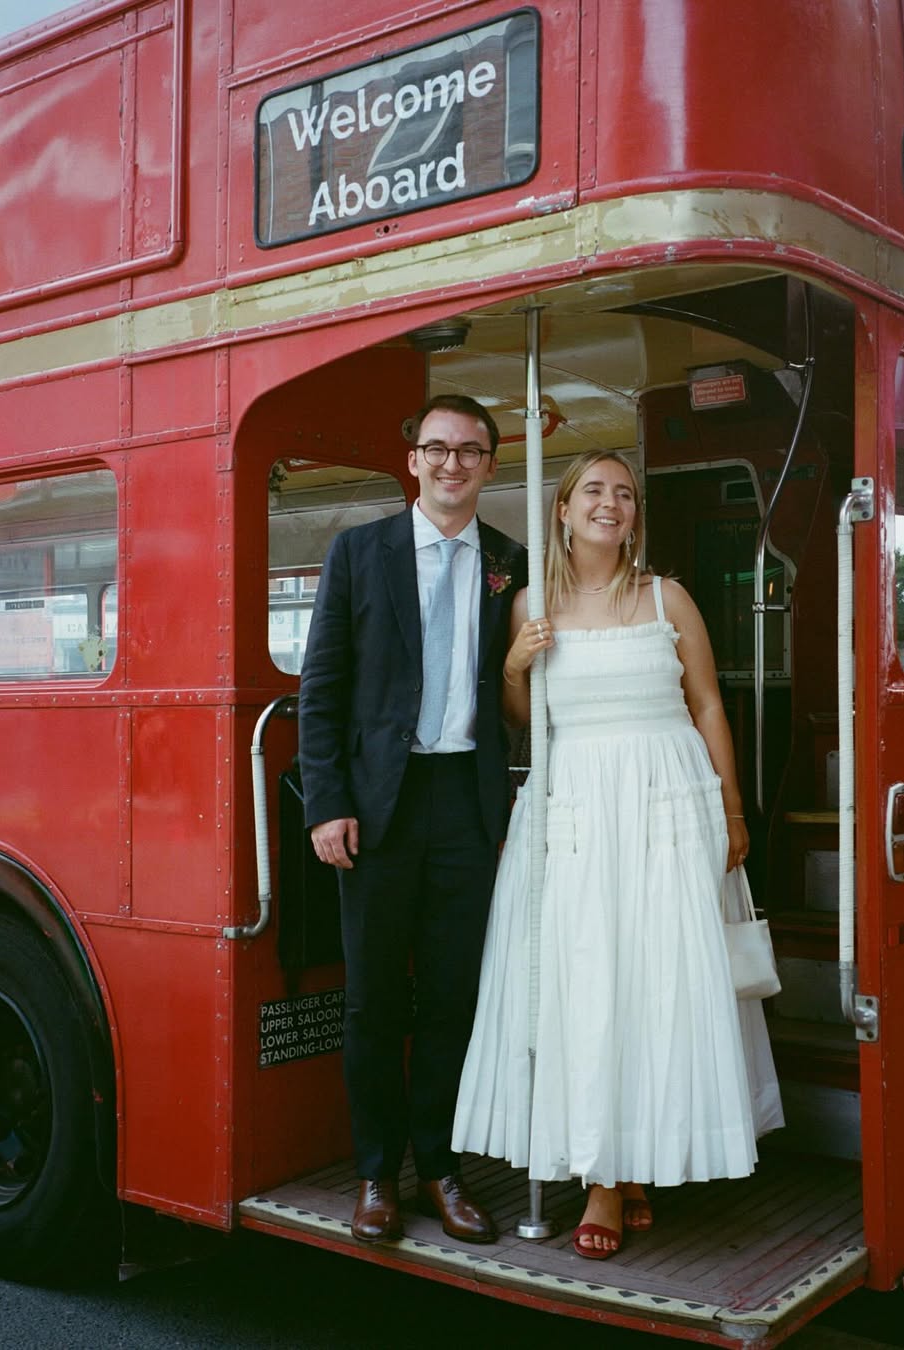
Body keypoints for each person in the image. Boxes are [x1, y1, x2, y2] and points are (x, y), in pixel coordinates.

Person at [452, 450, 783, 1258]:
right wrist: (512, 666)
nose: (611, 504)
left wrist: (732, 808)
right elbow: (526, 717)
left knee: (653, 981)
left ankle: (631, 1162)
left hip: (666, 803)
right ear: (561, 510)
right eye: (594, 491)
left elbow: (707, 703)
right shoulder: (532, 604)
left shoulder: (666, 596)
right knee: (589, 985)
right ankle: (607, 1174)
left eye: (625, 494)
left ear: (635, 515)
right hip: (574, 811)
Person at [299, 394, 526, 1246]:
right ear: (413, 461)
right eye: (437, 449)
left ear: (491, 465)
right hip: (377, 809)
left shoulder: (511, 559)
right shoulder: (360, 553)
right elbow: (320, 691)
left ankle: (439, 1168)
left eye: (469, 451)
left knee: (452, 998)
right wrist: (328, 804)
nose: (451, 464)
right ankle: (373, 1176)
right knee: (372, 1004)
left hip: (467, 807)